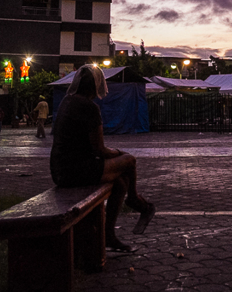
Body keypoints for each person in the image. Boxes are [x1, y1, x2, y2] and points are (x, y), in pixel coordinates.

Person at [50, 64, 155, 252]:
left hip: (60, 169)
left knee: (121, 183)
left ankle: (109, 236)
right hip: (76, 170)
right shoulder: (89, 107)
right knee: (129, 160)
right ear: (96, 86)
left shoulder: (67, 101)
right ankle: (134, 200)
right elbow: (100, 150)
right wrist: (119, 153)